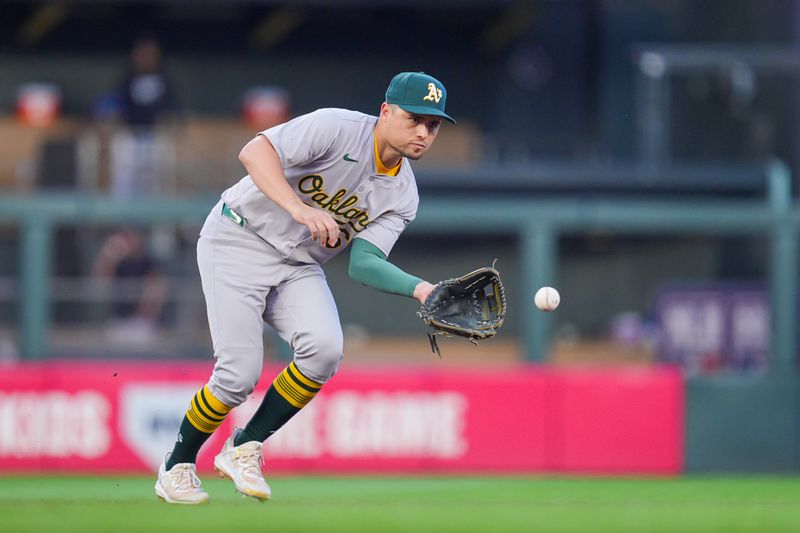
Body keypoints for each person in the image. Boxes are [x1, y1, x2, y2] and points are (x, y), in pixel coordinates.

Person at [154, 72, 455, 504]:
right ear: (385, 111)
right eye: (415, 119)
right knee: (238, 375)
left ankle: (244, 446)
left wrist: (422, 289)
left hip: (297, 264)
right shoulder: (336, 127)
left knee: (325, 349)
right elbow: (253, 152)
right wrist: (298, 208)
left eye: (434, 125)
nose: (424, 132)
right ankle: (176, 466)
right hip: (239, 237)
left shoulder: (403, 194)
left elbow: (365, 264)